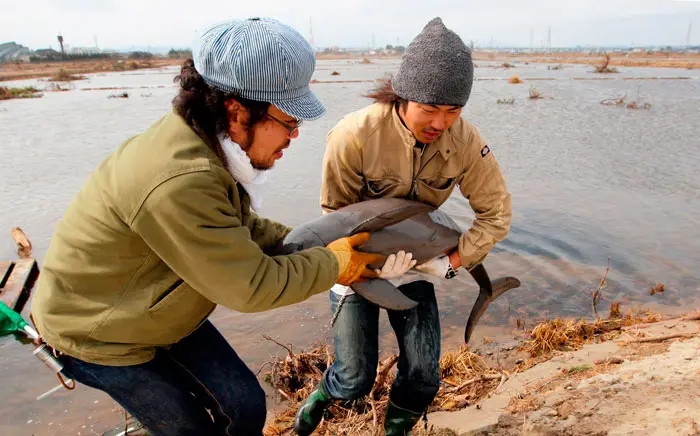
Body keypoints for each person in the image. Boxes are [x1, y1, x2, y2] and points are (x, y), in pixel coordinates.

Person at [30, 17, 394, 436]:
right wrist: (333, 265)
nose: (294, 136)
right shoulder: (180, 179)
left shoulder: (202, 143)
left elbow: (233, 225)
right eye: (289, 121)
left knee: (243, 407)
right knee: (189, 430)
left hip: (159, 310)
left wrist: (300, 241)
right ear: (236, 110)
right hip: (98, 334)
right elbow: (251, 287)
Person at [294, 17, 513, 435]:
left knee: (423, 376)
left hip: (417, 259)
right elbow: (335, 216)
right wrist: (363, 268)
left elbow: (496, 213)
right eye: (429, 109)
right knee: (353, 380)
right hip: (352, 260)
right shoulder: (353, 135)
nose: (440, 123)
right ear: (402, 96)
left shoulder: (464, 140)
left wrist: (452, 260)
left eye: (453, 111)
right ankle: (320, 400)